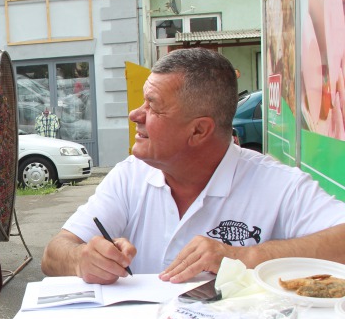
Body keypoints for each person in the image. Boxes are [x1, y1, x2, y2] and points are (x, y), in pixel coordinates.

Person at [42, 48, 345, 285]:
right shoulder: (129, 175)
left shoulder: (276, 183)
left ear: (199, 130)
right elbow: (53, 255)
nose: (136, 114)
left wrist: (242, 256)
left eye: (153, 106)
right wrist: (81, 259)